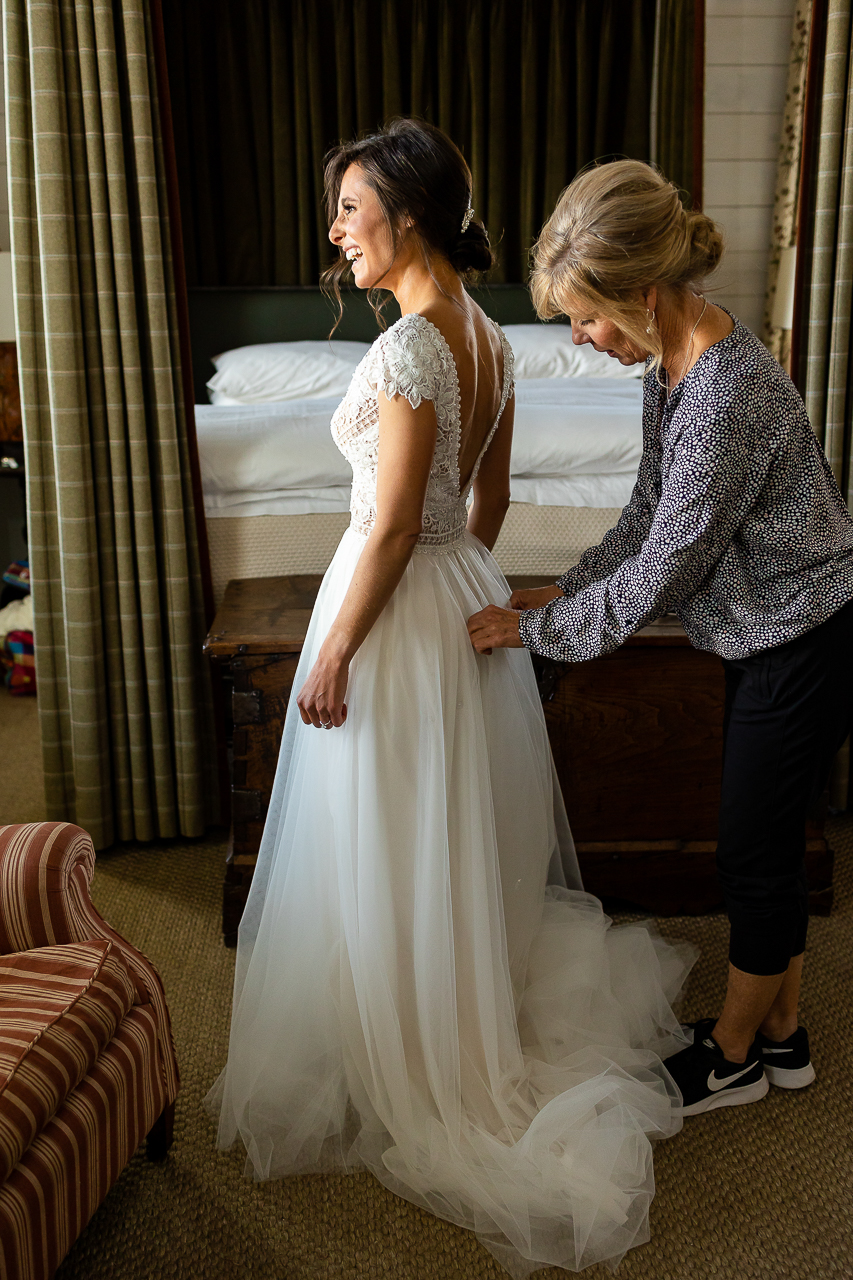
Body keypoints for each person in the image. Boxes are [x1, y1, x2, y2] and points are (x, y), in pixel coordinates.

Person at [206, 123, 696, 1276]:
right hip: (452, 590)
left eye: (348, 211)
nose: (335, 233)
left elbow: (384, 524)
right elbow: (484, 496)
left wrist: (333, 652)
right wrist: (456, 577)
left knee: (386, 825)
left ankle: (408, 1036)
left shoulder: (410, 352)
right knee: (440, 824)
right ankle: (439, 993)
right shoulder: (485, 333)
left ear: (405, 215)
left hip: (389, 602)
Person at [468, 159, 853, 1120]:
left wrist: (535, 630)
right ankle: (783, 1037)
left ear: (641, 294)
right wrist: (569, 580)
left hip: (805, 639)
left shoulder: (724, 394)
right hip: (766, 632)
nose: (578, 337)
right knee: (766, 841)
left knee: (748, 856)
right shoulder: (672, 362)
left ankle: (729, 1057)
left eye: (584, 316)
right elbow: (647, 515)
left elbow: (667, 571)